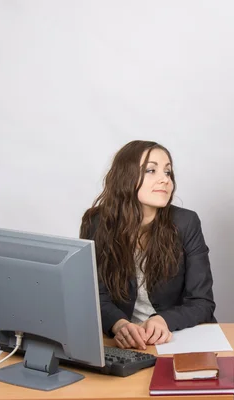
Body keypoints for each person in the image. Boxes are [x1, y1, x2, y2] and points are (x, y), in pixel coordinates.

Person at [80, 140, 216, 350]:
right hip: (127, 344)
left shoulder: (186, 223)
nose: (164, 180)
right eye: (151, 170)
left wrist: (164, 320)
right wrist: (118, 324)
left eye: (168, 172)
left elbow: (202, 302)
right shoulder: (96, 224)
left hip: (178, 337)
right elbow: (94, 295)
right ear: (126, 177)